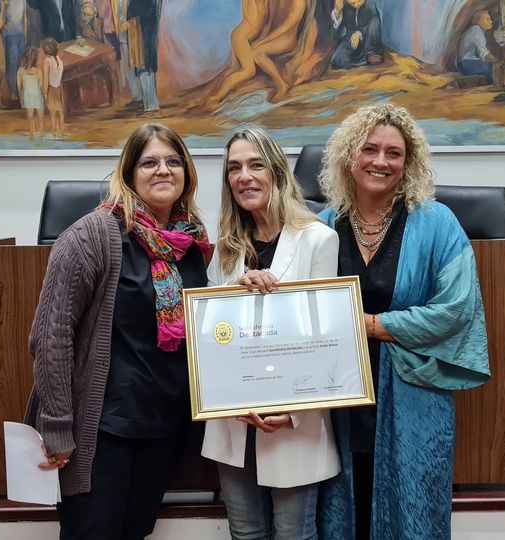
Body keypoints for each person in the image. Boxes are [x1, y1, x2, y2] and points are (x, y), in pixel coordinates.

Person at [24, 123, 212, 540]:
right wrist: (57, 425)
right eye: (150, 162)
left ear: (187, 173)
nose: (163, 170)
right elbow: (50, 335)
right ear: (128, 173)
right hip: (104, 431)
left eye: (173, 161)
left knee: (135, 532)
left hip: (162, 426)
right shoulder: (92, 235)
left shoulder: (188, 243)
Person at [314, 103, 491, 540]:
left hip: (414, 395)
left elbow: (457, 308)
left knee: (413, 510)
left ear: (407, 163)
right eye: (369, 149)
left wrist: (372, 326)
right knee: (342, 510)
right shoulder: (320, 227)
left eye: (394, 153)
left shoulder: (436, 223)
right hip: (338, 401)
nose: (380, 161)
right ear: (348, 156)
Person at [201, 128, 340, 539]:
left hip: (292, 422)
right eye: (234, 168)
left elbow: (325, 338)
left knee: (293, 534)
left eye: (255, 164)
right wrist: (233, 289)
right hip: (233, 418)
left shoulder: (318, 239)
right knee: (245, 533)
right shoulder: (226, 246)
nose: (244, 176)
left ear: (277, 172)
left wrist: (294, 413)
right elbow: (208, 330)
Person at [330, 0, 383, 69]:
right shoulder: (344, 6)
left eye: (358, 2)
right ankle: (363, 62)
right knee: (336, 61)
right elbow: (339, 32)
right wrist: (337, 12)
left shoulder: (370, 5)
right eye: (352, 3)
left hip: (367, 43)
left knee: (375, 21)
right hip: (350, 41)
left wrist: (359, 33)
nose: (355, 5)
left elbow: (374, 28)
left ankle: (371, 54)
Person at [456, 10, 496, 85]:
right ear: (478, 21)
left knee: (493, 66)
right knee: (495, 66)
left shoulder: (473, 30)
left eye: (490, 19)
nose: (491, 22)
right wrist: (497, 61)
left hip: (462, 64)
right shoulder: (477, 31)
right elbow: (484, 54)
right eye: (487, 19)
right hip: (468, 64)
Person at [17, 46, 47, 141]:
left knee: (30, 118)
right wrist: (45, 96)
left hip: (27, 96)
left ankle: (32, 137)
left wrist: (21, 98)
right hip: (37, 96)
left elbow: (19, 87)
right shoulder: (38, 71)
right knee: (40, 118)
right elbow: (41, 86)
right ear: (35, 59)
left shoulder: (20, 71)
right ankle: (41, 135)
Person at [41, 38, 67, 139]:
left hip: (51, 89)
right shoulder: (59, 61)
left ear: (45, 51)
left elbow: (46, 80)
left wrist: (45, 94)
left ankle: (53, 134)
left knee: (52, 114)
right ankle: (62, 132)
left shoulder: (46, 62)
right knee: (60, 112)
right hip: (58, 88)